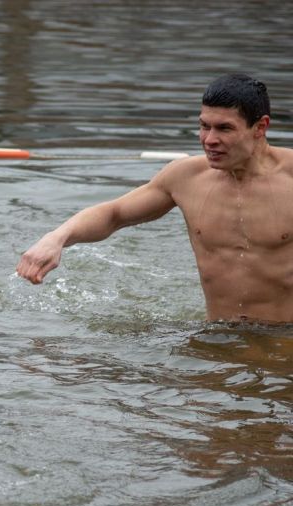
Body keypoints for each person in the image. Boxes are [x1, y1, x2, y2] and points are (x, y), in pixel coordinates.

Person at [17, 74, 293, 323]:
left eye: (224, 129)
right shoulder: (185, 177)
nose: (209, 139)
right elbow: (115, 213)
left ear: (260, 127)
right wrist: (57, 237)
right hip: (217, 336)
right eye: (204, 126)